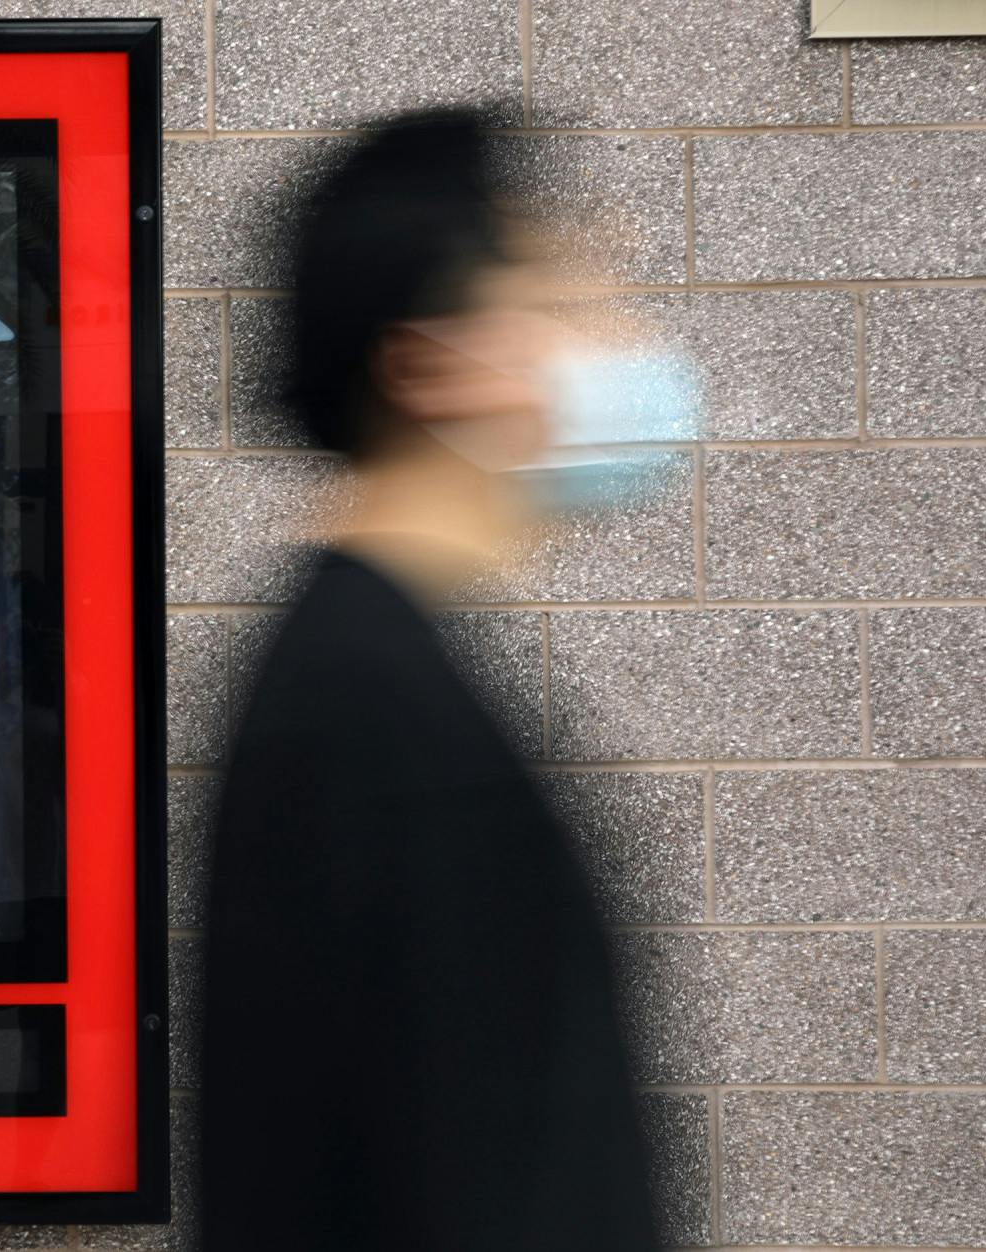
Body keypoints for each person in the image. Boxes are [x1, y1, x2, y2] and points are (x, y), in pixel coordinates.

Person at [201, 110, 664, 1250]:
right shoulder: (383, 721)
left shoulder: (361, 669)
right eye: (564, 303)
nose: (617, 343)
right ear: (425, 366)